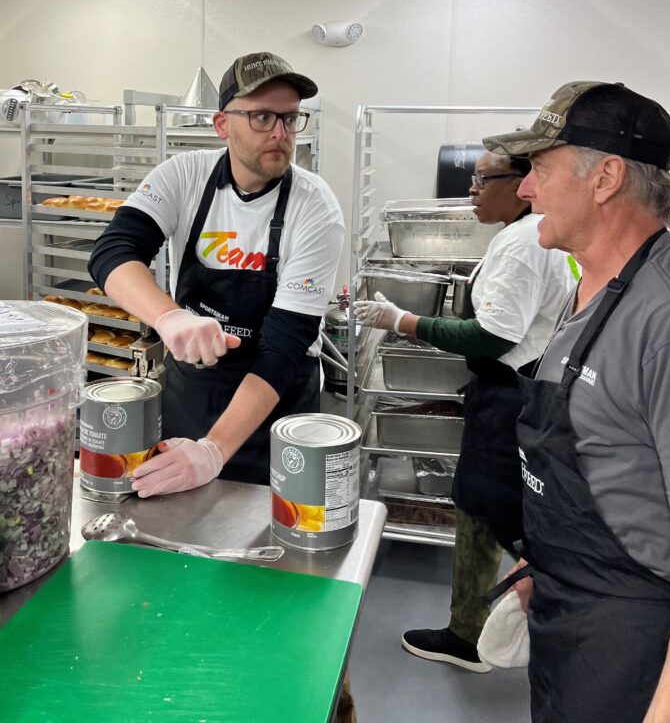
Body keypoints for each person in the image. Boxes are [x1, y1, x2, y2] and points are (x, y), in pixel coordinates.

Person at [483, 81, 670, 723]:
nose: (526, 189)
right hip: (566, 610)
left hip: (634, 647)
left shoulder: (663, 318)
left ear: (606, 177)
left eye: (538, 167)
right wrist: (550, 558)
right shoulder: (590, 286)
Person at [354, 150, 575, 672]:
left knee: (489, 506)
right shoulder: (540, 233)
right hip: (526, 386)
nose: (472, 190)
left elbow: (493, 335)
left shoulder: (523, 244)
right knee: (490, 506)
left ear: (523, 184)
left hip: (509, 393)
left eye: (482, 180)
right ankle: (492, 623)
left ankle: (475, 636)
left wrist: (403, 320)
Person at [88, 51, 344, 496]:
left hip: (274, 399)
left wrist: (213, 451)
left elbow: (283, 347)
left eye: (290, 118)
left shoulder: (315, 207)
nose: (282, 134)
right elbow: (114, 250)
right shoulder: (183, 175)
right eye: (263, 117)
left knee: (267, 534)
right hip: (194, 385)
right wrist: (170, 318)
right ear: (222, 124)